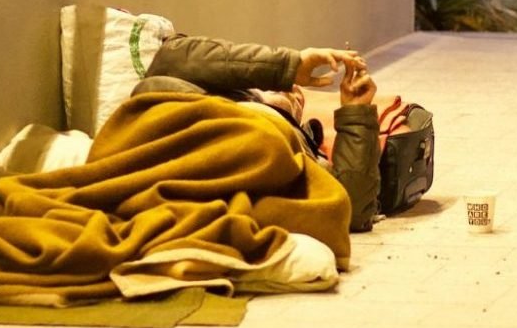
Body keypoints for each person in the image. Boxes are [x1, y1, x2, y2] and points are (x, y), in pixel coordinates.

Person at [132, 35, 382, 231]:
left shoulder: (300, 149)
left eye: (298, 99)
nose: (294, 92)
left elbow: (349, 206)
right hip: (176, 154)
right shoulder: (197, 95)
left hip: (226, 183)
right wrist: (289, 65)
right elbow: (170, 58)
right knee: (155, 88)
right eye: (288, 88)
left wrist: (356, 111)